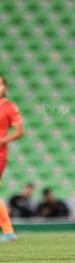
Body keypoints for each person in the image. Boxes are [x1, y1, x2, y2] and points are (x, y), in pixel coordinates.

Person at [0, 74, 24, 242]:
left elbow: (19, 131)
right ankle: (8, 232)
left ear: (5, 87)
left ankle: (8, 231)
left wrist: (4, 139)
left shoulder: (9, 107)